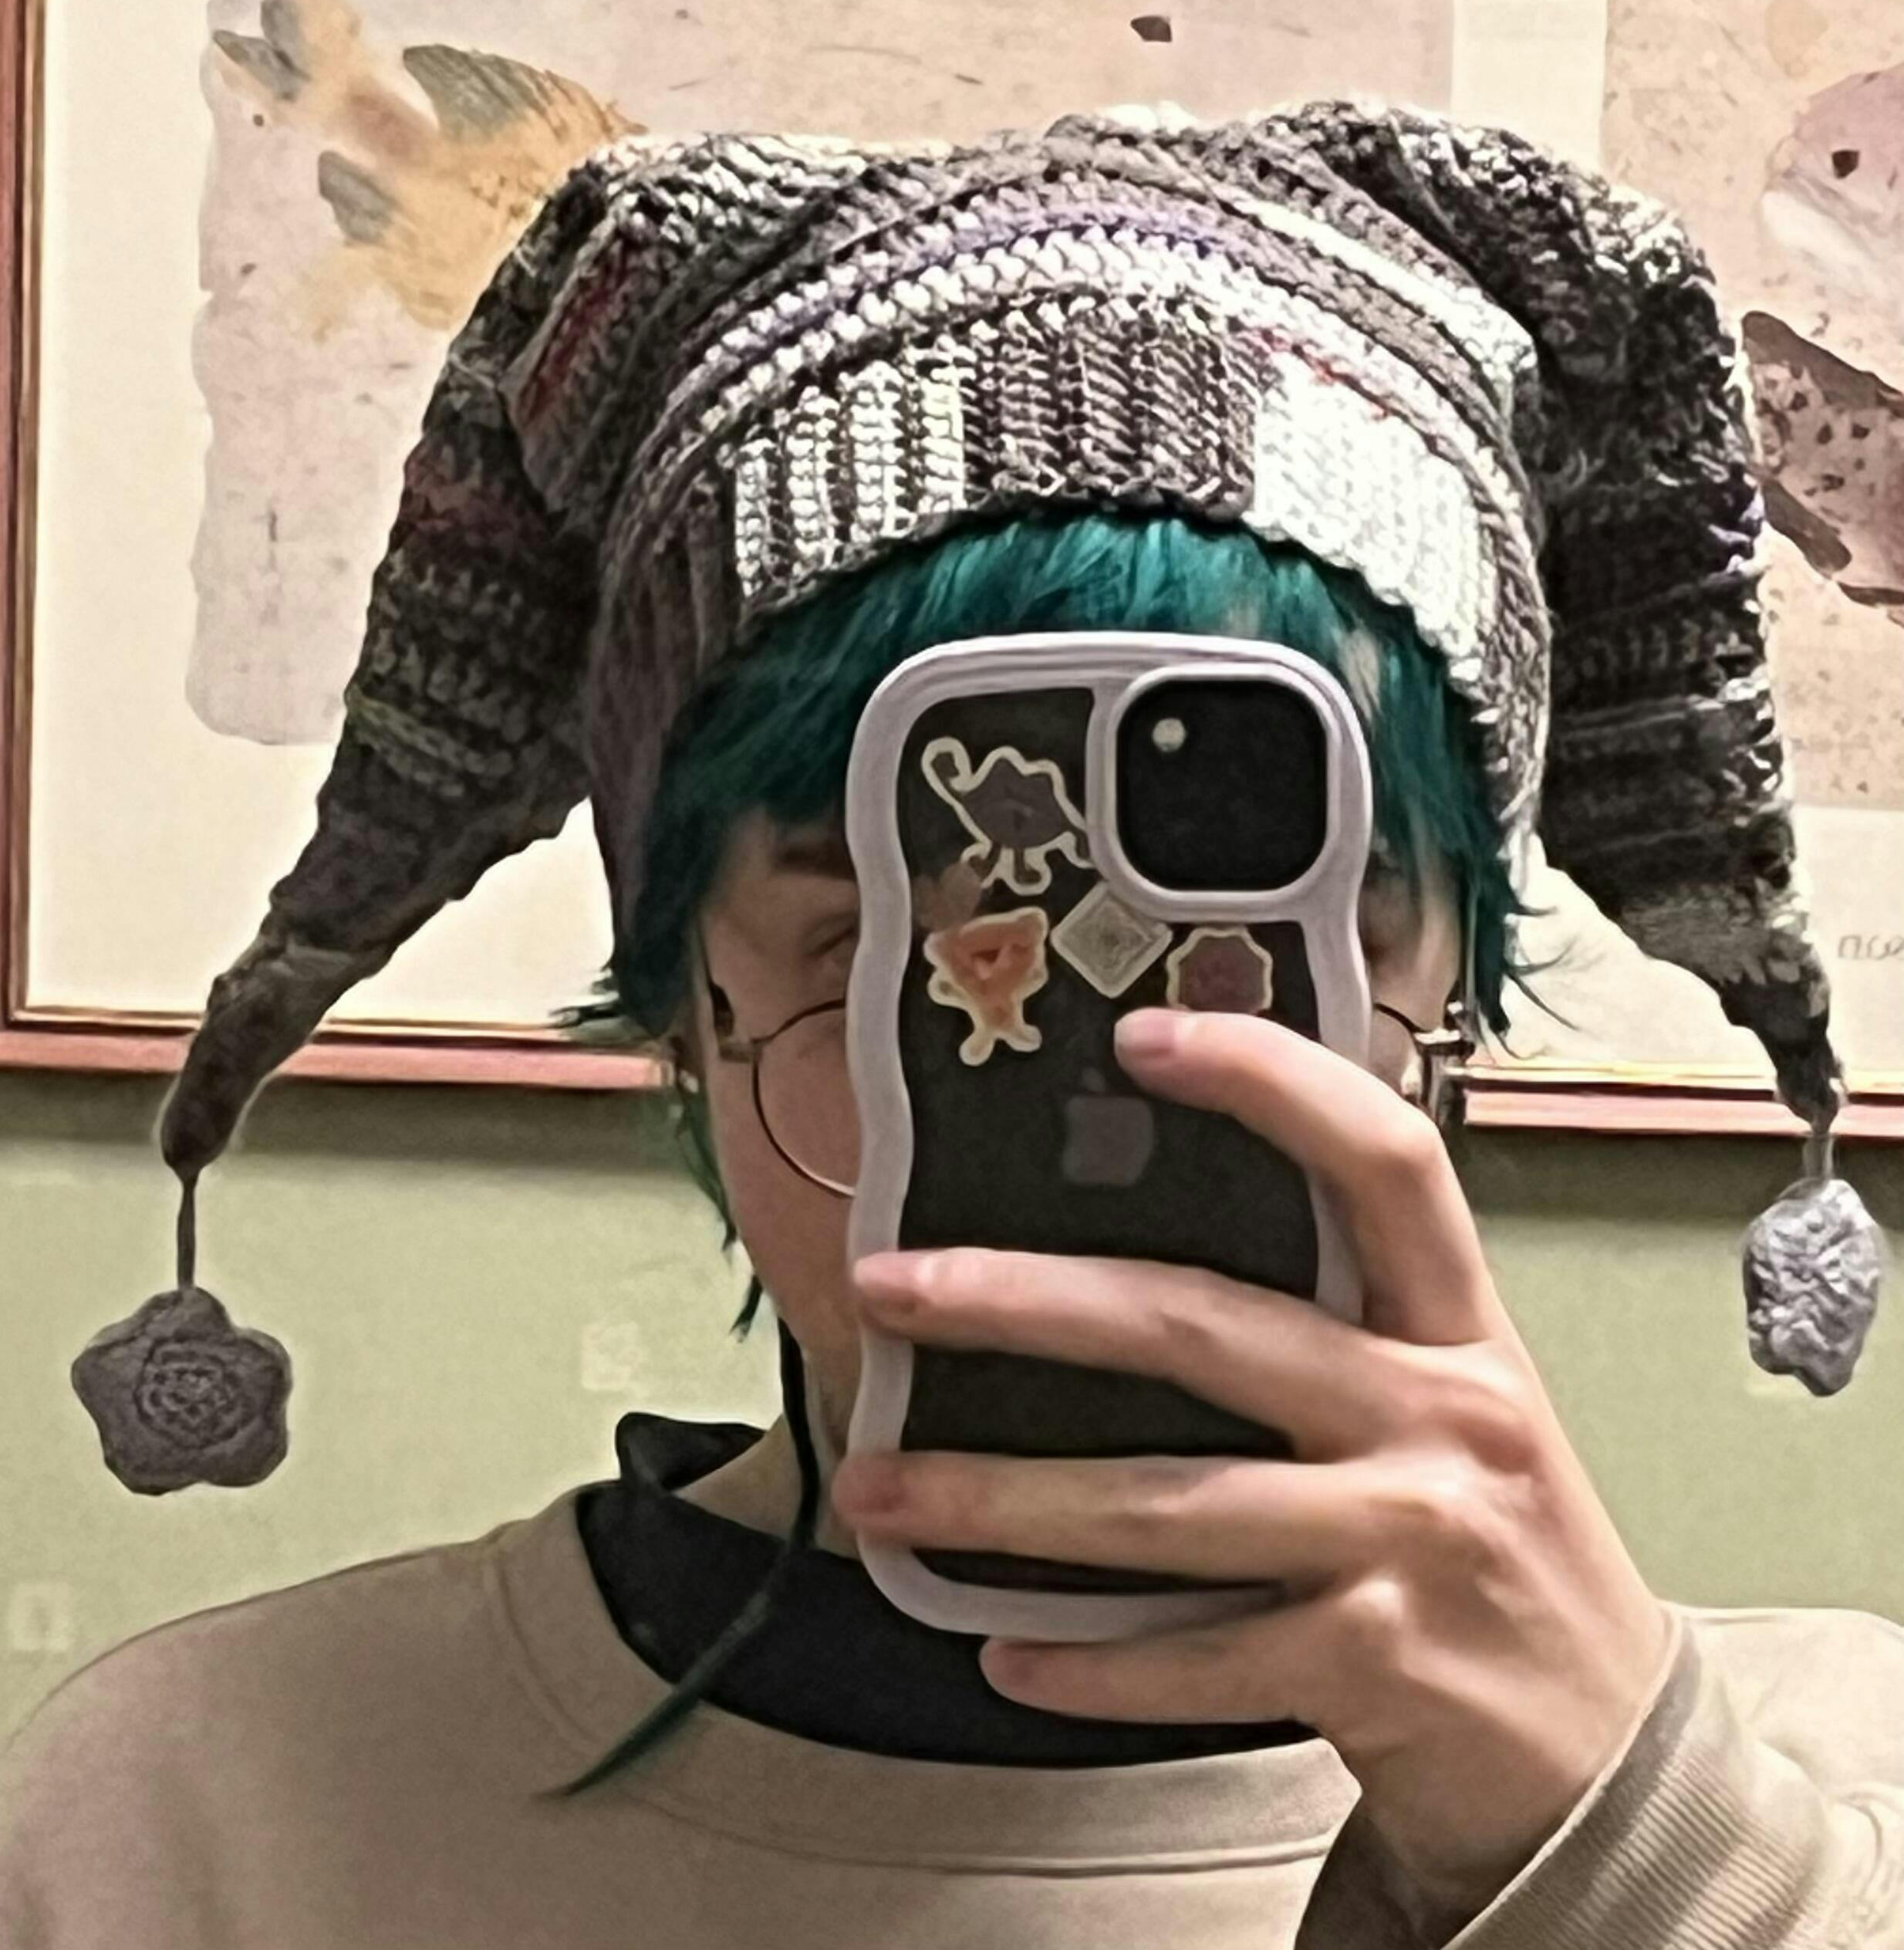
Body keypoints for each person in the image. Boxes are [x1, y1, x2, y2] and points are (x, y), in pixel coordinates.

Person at [2, 99, 1899, 1950]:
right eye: (880, 937)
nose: (1099, 1081)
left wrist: (1644, 1862)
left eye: (1261, 939)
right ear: (681, 1003)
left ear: (1449, 995)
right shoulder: (194, 1814)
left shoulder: (1841, 1791)